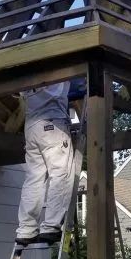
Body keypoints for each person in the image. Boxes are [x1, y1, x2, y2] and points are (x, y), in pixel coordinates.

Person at [15, 78, 85, 245]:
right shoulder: (58, 66)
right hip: (52, 122)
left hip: (31, 127)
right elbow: (83, 82)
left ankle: (26, 229)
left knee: (34, 177)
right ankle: (51, 226)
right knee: (61, 173)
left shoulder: (28, 70)